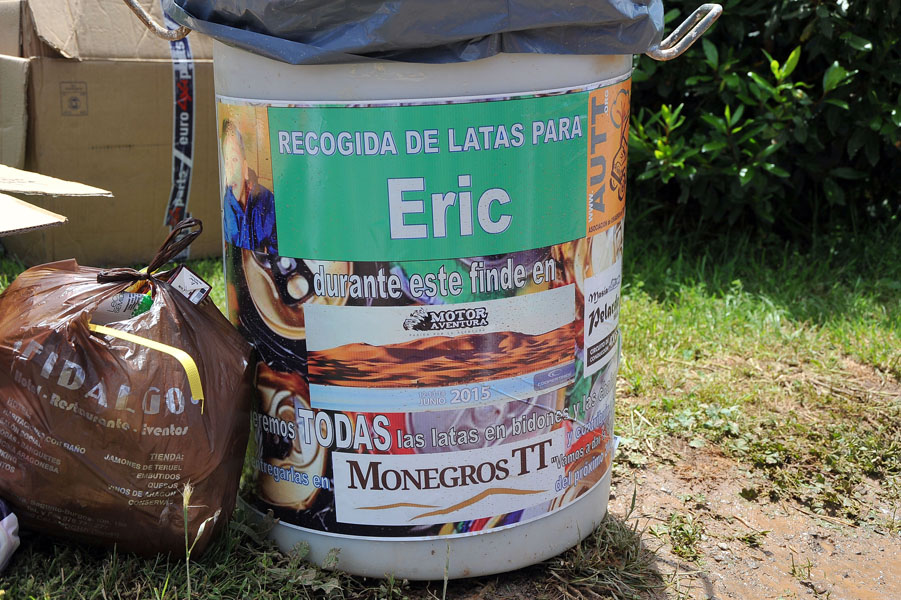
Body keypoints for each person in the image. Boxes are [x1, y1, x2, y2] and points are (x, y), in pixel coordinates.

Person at [221, 119, 278, 254]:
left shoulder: (267, 201)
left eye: (234, 159)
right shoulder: (227, 203)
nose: (230, 170)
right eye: (226, 161)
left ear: (245, 168)